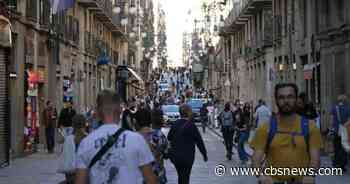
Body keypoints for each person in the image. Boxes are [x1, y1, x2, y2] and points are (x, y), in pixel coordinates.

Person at [75, 89, 157, 184]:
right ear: (120, 110)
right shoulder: (137, 140)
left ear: (97, 112)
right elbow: (150, 180)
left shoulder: (85, 143)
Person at [251, 83, 322, 184]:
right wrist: (261, 176)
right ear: (276, 101)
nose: (286, 101)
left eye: (290, 97)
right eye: (281, 97)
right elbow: (256, 159)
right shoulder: (265, 128)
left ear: (296, 99)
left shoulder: (310, 126)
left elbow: (315, 159)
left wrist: (310, 175)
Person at [167, 104, 208, 184]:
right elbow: (199, 142)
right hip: (188, 157)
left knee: (181, 175)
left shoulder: (175, 124)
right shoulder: (191, 125)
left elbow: (169, 138)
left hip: (176, 157)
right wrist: (204, 154)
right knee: (185, 177)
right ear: (188, 113)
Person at [137, 114, 169, 184]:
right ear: (150, 121)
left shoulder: (133, 137)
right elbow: (167, 154)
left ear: (136, 122)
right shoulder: (159, 135)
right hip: (158, 175)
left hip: (140, 177)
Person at [61, 114, 88, 184]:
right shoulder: (89, 138)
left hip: (70, 175)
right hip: (85, 175)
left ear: (73, 125)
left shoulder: (68, 139)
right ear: (85, 124)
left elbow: (64, 157)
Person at [330, 94, 350, 172]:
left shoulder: (334, 108)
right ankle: (342, 165)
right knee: (344, 147)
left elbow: (331, 120)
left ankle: (336, 164)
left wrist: (331, 128)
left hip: (336, 130)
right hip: (345, 130)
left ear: (338, 100)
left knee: (336, 147)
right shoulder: (348, 108)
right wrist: (345, 126)